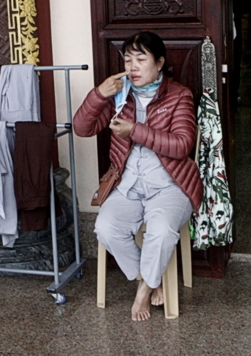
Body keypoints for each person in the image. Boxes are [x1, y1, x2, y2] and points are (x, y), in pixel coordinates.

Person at [73, 31, 202, 321]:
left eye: (141, 59)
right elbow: (82, 129)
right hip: (128, 184)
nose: (132, 67)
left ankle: (143, 291)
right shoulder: (121, 95)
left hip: (171, 185)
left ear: (159, 63)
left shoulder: (179, 95)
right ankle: (150, 280)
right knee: (106, 228)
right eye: (128, 59)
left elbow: (182, 145)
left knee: (161, 230)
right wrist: (99, 94)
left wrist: (135, 130)